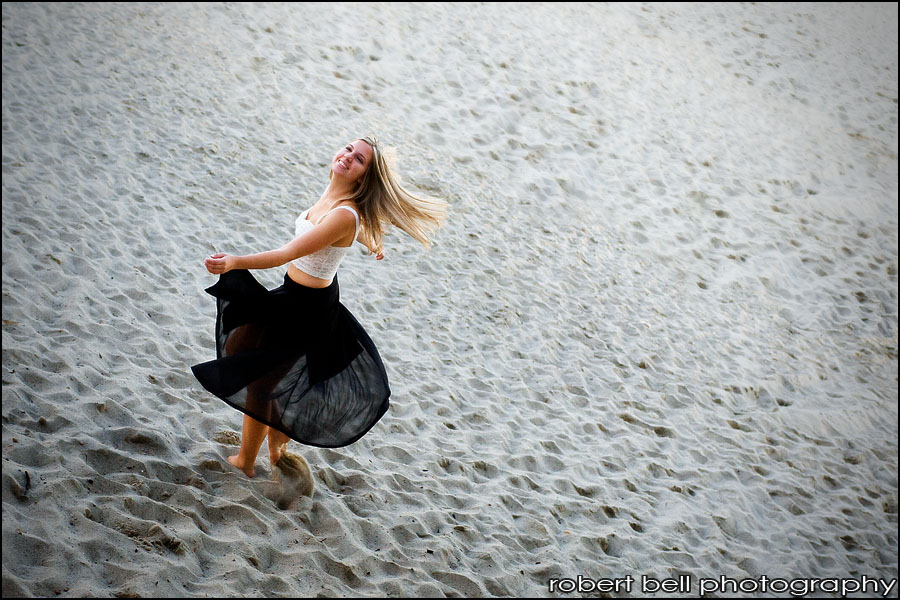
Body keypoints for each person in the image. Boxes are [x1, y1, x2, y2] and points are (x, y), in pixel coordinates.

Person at [191, 136, 447, 479]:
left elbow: (288, 253)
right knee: (242, 349)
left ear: (362, 177)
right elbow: (342, 232)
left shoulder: (345, 213)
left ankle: (247, 463)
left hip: (307, 309)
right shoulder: (336, 196)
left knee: (260, 383)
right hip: (293, 293)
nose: (347, 157)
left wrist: (237, 261)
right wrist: (373, 241)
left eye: (358, 160)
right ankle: (277, 443)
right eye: (348, 149)